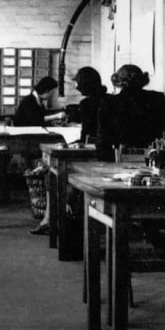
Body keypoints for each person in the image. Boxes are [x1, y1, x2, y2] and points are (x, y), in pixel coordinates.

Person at [29, 68, 110, 235]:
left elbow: (86, 137)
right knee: (49, 167)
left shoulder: (87, 104)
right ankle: (52, 218)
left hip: (93, 159)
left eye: (77, 83)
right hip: (108, 155)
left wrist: (68, 145)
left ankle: (50, 219)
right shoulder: (109, 100)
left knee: (51, 170)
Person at [98, 64, 165, 160]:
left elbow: (102, 141)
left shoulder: (108, 103)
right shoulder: (157, 98)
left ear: (118, 81)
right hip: (154, 157)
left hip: (120, 158)